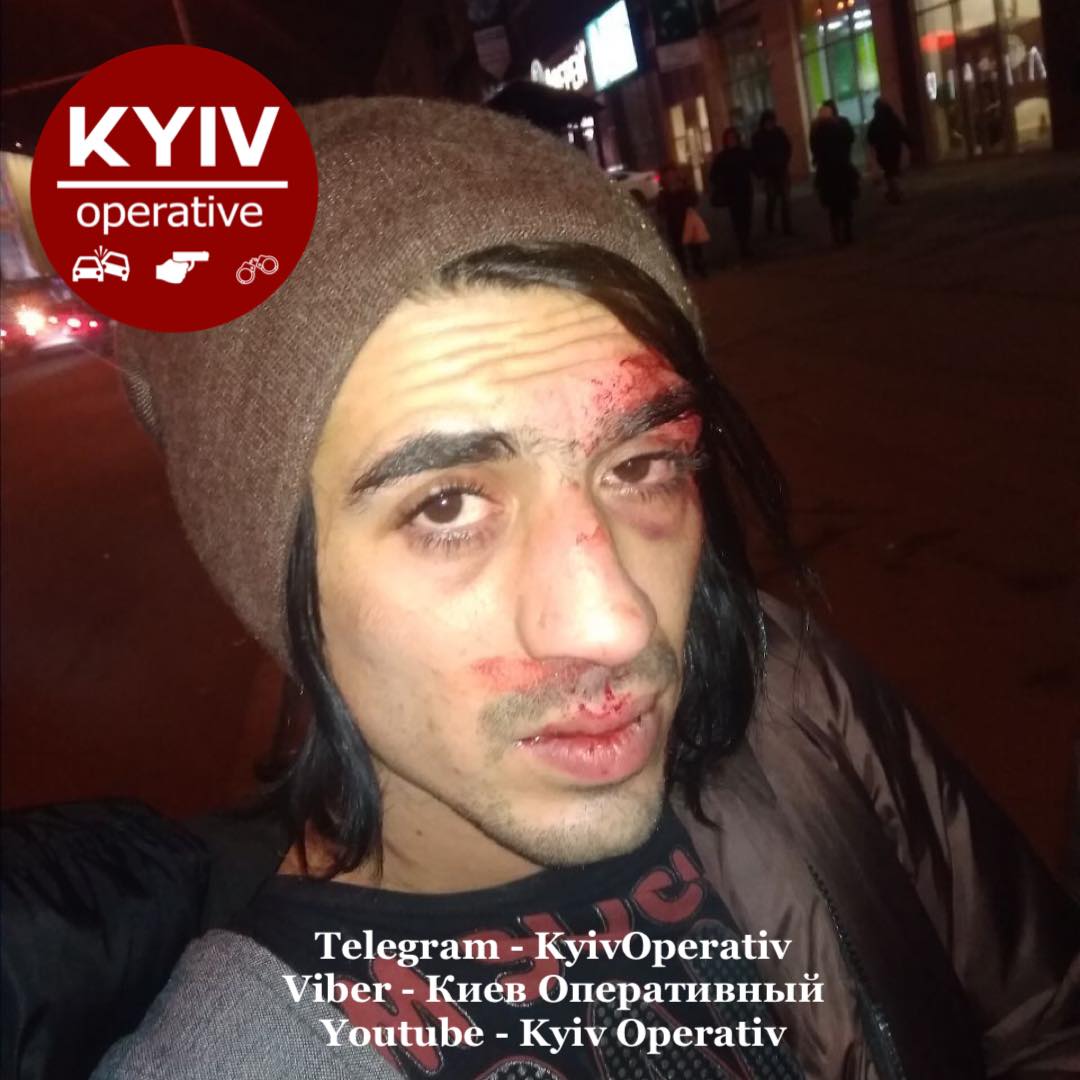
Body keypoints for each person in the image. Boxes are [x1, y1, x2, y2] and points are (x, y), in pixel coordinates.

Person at [20, 96, 1065, 1078]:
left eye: (641, 465)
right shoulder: (253, 1052)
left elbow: (1041, 1020)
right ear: (274, 582)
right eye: (444, 506)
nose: (617, 624)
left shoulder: (786, 693)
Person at [809, 100, 859, 246]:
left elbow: (815, 148)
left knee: (836, 206)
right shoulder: (837, 124)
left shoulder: (819, 128)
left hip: (831, 172)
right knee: (843, 204)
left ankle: (840, 234)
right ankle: (845, 233)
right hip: (839, 170)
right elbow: (850, 139)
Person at [655, 163, 709, 278]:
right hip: (673, 223)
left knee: (694, 247)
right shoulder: (664, 192)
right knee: (678, 248)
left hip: (688, 221)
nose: (670, 177)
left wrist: (683, 190)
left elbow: (694, 200)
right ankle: (684, 270)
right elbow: (660, 209)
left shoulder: (684, 187)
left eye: (672, 174)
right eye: (667, 175)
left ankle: (699, 268)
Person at [709, 127, 755, 261]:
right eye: (729, 139)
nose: (731, 141)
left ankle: (745, 242)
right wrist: (721, 183)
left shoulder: (744, 153)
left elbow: (753, 166)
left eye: (733, 138)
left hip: (745, 190)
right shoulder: (722, 157)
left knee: (746, 217)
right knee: (737, 219)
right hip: (732, 192)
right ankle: (743, 246)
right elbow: (713, 175)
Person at [750, 109, 793, 236]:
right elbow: (755, 156)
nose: (770, 124)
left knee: (785, 200)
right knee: (772, 199)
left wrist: (784, 161)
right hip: (769, 173)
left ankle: (786, 226)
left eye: (772, 121)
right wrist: (760, 172)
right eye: (768, 121)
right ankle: (770, 225)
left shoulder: (779, 132)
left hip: (781, 170)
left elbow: (787, 148)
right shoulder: (758, 137)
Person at [866, 97, 910, 204]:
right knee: (893, 170)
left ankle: (894, 192)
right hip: (895, 148)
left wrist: (872, 148)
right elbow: (901, 131)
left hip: (882, 150)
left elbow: (870, 137)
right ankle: (895, 192)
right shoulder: (893, 118)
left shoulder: (875, 122)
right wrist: (908, 142)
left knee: (889, 171)